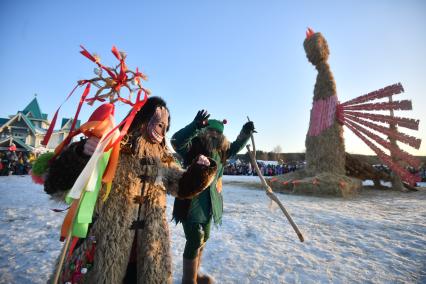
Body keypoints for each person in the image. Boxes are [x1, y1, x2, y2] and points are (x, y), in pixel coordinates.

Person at [43, 97, 218, 284]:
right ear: (141, 119)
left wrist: (200, 171)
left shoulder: (162, 161)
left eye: (164, 126)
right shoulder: (111, 148)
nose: (161, 129)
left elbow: (181, 185)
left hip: (148, 253)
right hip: (103, 249)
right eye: (158, 122)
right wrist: (82, 155)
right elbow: (57, 187)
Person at [171, 110, 255, 283]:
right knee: (194, 239)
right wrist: (194, 126)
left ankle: (195, 275)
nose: (214, 134)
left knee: (204, 238)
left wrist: (246, 132)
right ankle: (189, 280)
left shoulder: (223, 152)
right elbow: (176, 141)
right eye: (211, 131)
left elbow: (237, 145)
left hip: (210, 203)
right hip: (191, 202)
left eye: (218, 132)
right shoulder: (192, 146)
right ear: (204, 131)